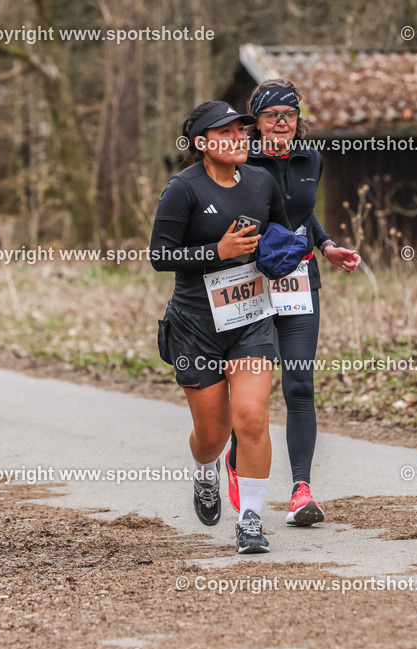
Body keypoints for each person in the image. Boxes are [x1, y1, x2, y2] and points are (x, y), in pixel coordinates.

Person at [150, 100, 293, 554]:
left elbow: (282, 239)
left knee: (250, 417)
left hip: (250, 319)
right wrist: (219, 251)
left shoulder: (262, 182)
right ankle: (206, 470)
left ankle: (250, 519)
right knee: (212, 435)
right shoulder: (182, 189)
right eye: (226, 133)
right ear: (201, 144)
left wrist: (296, 254)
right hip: (196, 325)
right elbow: (160, 257)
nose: (240, 139)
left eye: (243, 131)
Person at [226, 79, 361, 526]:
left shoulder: (311, 158)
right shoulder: (241, 160)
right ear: (257, 123)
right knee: (254, 393)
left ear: (298, 121)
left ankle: (302, 492)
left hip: (299, 279)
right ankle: (234, 453)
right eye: (271, 115)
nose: (281, 122)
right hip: (249, 281)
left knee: (300, 384)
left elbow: (302, 212)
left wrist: (327, 245)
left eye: (289, 114)